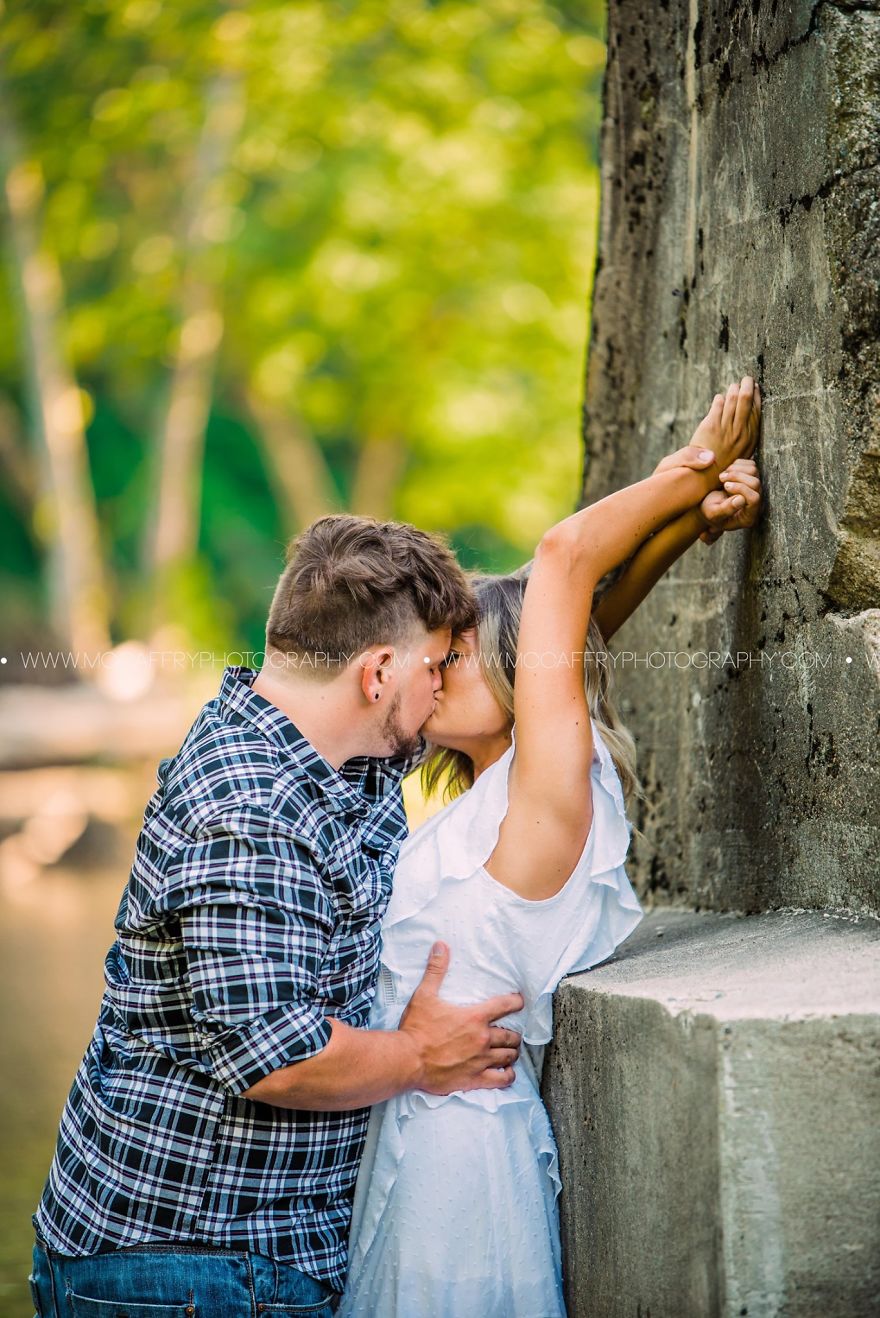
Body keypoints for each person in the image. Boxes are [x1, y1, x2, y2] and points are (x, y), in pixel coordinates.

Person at [30, 518, 528, 1318]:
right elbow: (277, 1059)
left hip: (237, 1258)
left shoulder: (334, 746)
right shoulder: (253, 812)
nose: (443, 686)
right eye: (435, 667)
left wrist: (675, 513)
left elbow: (535, 636)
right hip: (187, 1272)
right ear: (376, 674)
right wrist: (423, 1056)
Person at [339, 379, 762, 1317]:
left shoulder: (548, 790)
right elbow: (585, 629)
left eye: (455, 655)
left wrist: (688, 466)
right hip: (410, 1143)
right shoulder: (495, 795)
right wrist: (684, 525)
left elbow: (566, 564)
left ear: (516, 671)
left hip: (458, 1169)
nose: (432, 671)